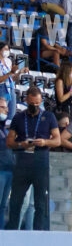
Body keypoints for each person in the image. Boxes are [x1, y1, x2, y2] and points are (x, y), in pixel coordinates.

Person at [6, 86, 61, 230]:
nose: (35, 106)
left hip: (41, 162)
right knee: (16, 201)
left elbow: (57, 140)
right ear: (26, 100)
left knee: (40, 203)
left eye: (37, 104)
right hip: (22, 162)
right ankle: (12, 232)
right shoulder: (18, 117)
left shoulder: (49, 116)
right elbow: (9, 141)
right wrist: (20, 144)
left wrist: (45, 142)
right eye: (32, 103)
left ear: (41, 101)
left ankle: (38, 235)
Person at [0, 42, 25, 120]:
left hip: (10, 88)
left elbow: (12, 78)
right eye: (6, 49)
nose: (8, 51)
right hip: (1, 88)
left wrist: (20, 72)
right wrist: (10, 73)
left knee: (11, 115)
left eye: (8, 49)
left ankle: (7, 131)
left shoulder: (8, 61)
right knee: (2, 115)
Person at [0, 97, 13, 228]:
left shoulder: (5, 129)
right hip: (0, 171)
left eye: (7, 108)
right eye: (3, 107)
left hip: (9, 170)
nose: (6, 110)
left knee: (3, 206)